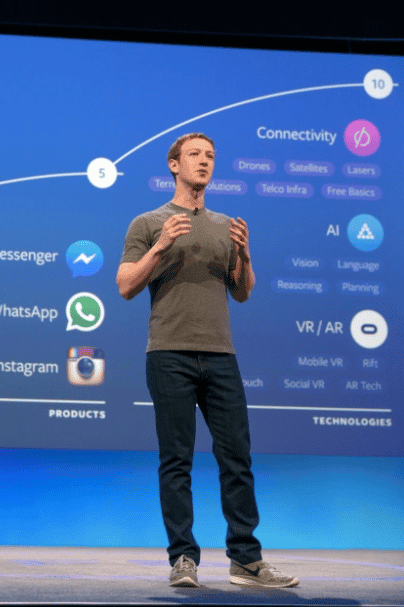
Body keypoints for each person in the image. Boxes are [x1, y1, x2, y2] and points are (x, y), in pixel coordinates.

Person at [116, 133, 299, 589]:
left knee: (236, 457)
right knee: (176, 460)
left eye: (210, 156)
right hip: (169, 354)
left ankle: (246, 561)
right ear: (174, 166)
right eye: (195, 155)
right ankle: (183, 559)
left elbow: (242, 292)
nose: (204, 162)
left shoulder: (224, 225)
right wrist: (160, 247)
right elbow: (124, 285)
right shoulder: (147, 222)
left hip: (221, 356)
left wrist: (245, 255)